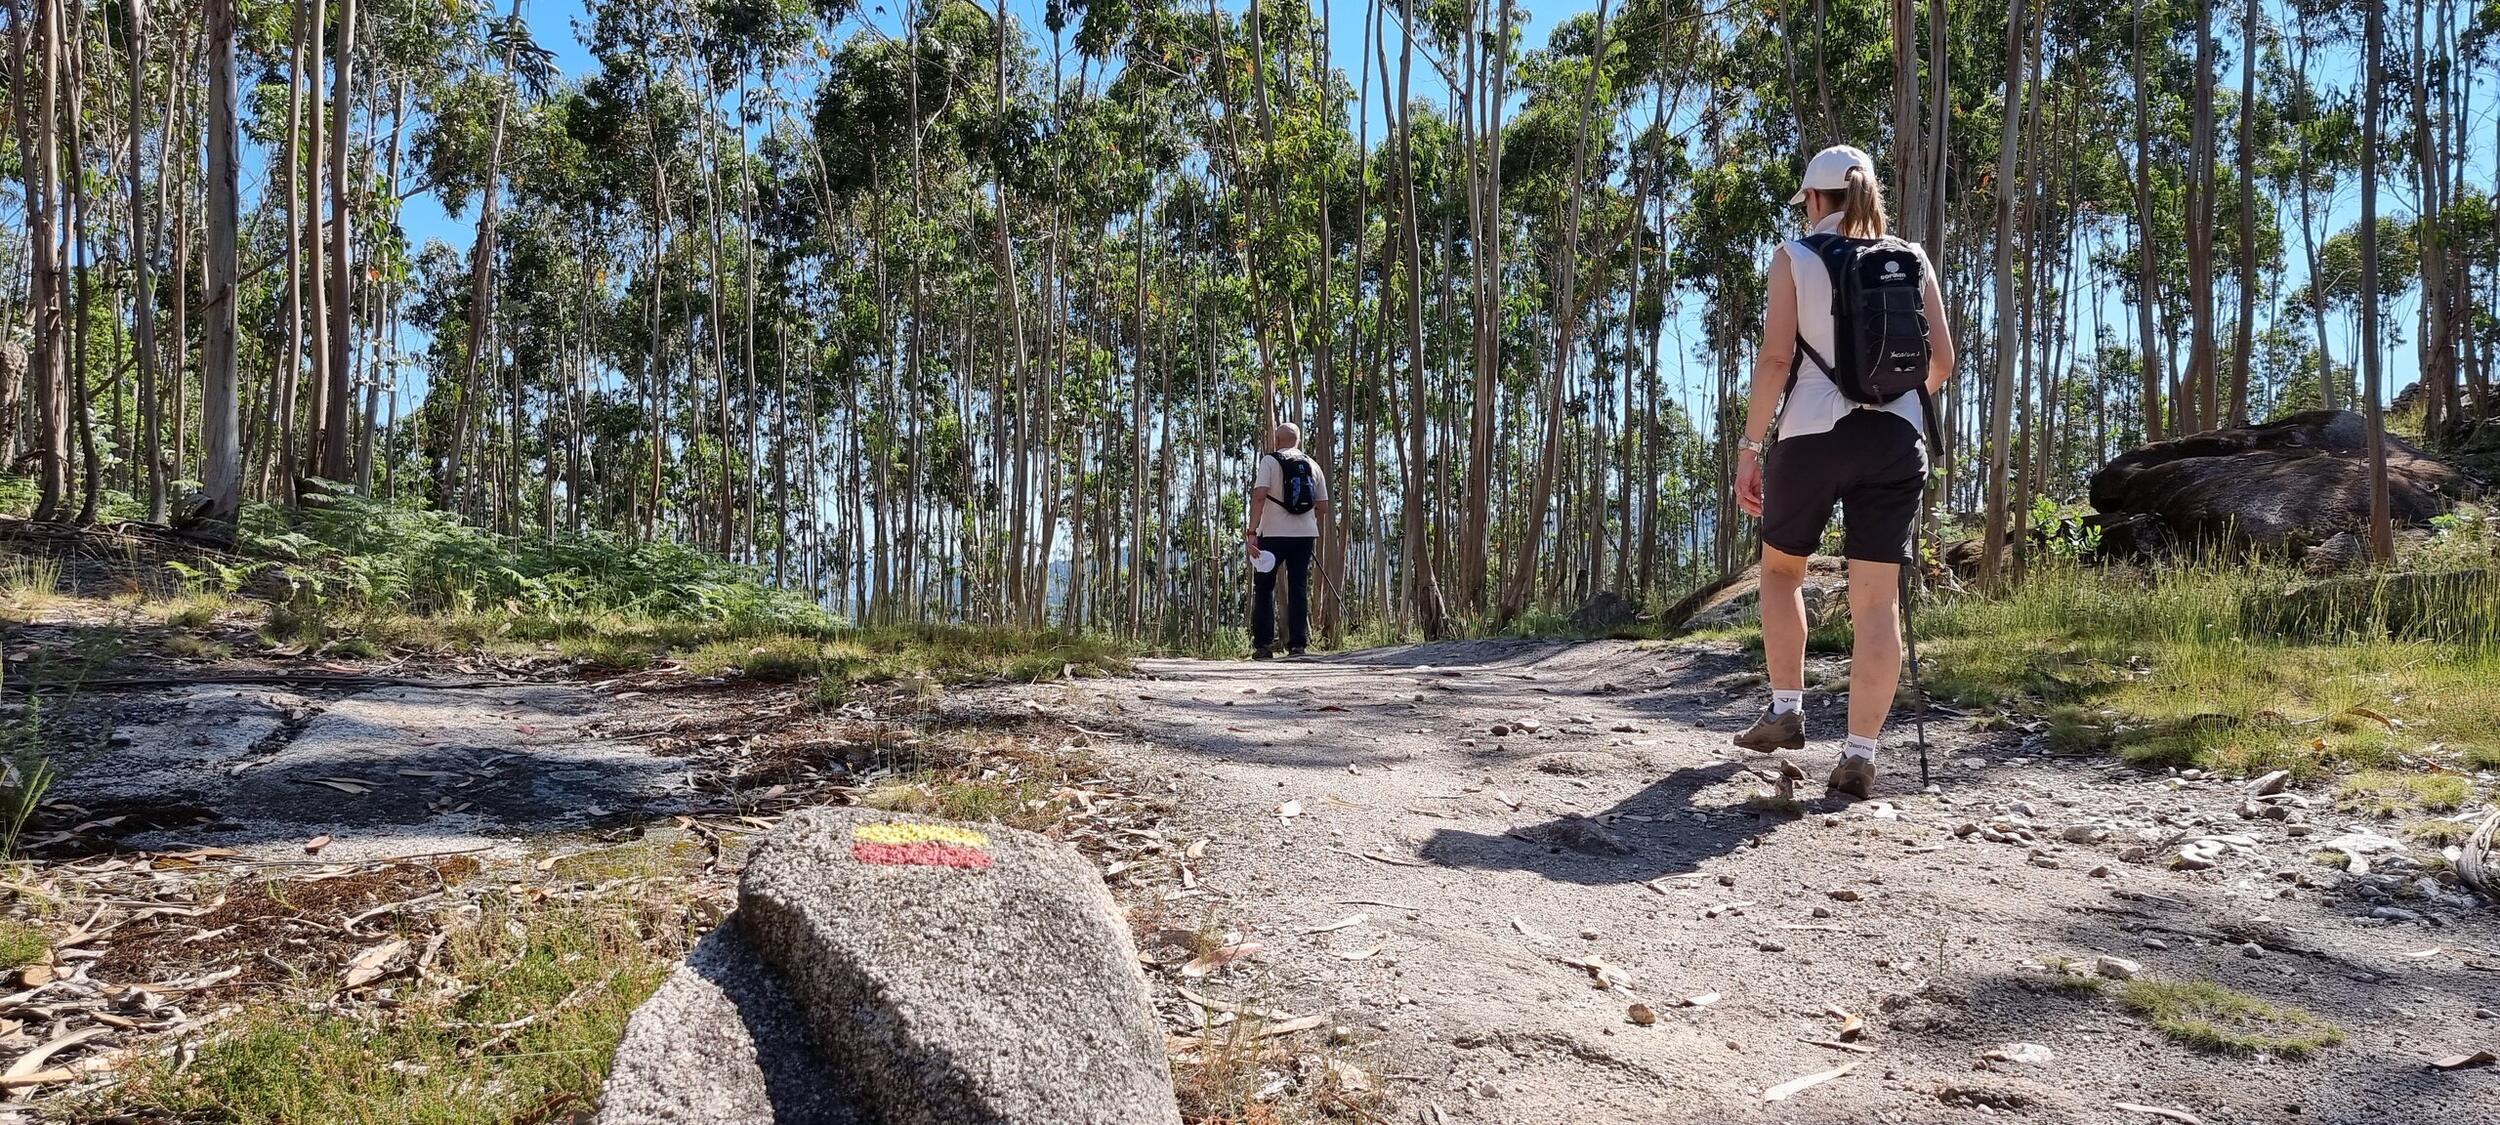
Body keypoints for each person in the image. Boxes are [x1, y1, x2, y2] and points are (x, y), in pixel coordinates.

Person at [1729, 144, 1954, 800]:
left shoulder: (1795, 257)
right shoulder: (1911, 257)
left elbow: (1775, 360)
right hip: (1897, 439)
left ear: (1815, 200)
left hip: (1811, 435)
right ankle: (1859, 753)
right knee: (1876, 601)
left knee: (1780, 570)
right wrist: (1896, 405)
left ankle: (1788, 705)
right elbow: (1941, 360)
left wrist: (1750, 445)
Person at [1245, 423, 1330, 660]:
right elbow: (1322, 506)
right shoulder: (1313, 465)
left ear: (1276, 439)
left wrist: (1252, 531)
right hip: (1304, 535)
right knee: (1298, 587)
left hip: (1271, 533)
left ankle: (1263, 646)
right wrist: (1304, 520)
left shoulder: (1269, 461)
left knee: (1264, 587)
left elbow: (1260, 495)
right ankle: (1297, 646)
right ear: (1298, 440)